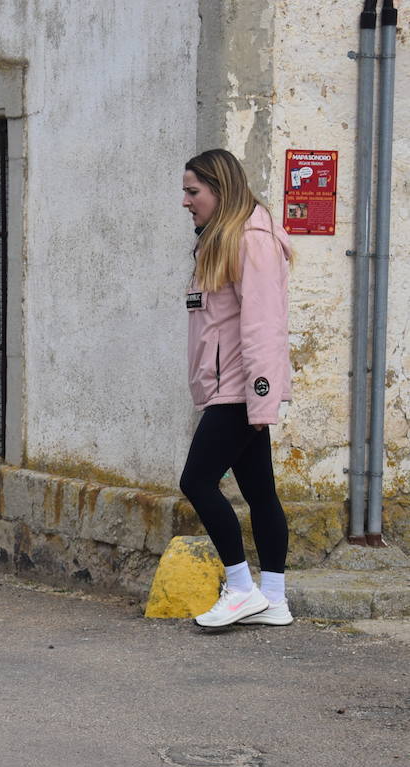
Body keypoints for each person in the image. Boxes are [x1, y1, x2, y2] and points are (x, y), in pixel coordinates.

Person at [178, 150, 294, 628]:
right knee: (260, 491)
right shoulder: (223, 239)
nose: (185, 202)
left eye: (193, 192)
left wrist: (260, 397)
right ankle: (275, 599)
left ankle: (242, 588)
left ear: (220, 190)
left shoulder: (252, 240)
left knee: (196, 481)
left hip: (241, 389)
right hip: (235, 386)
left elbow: (264, 326)